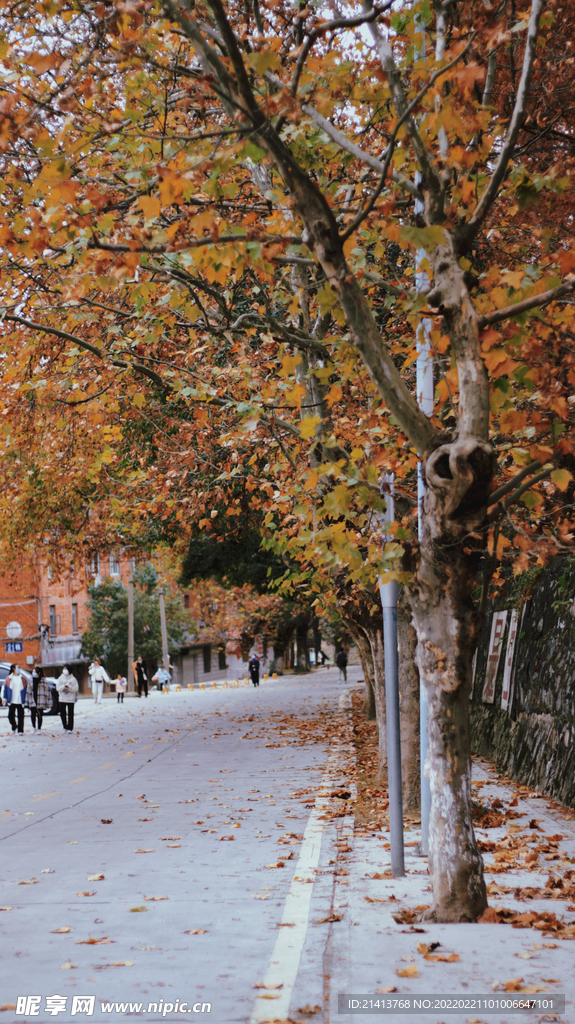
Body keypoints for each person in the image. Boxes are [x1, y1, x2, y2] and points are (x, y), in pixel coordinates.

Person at [1, 664, 26, 734]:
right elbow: (5, 688)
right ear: (13, 669)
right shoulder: (9, 678)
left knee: (21, 716)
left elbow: (26, 688)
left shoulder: (22, 678)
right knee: (10, 716)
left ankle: (20, 730)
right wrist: (4, 698)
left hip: (20, 700)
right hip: (11, 700)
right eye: (18, 667)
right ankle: (14, 726)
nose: (19, 669)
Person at [25, 666, 51, 730]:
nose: (33, 673)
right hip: (32, 700)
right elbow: (28, 692)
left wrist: (48, 701)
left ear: (38, 673)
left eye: (34, 672)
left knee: (40, 715)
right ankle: (34, 727)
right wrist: (27, 702)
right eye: (33, 672)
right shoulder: (31, 681)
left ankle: (39, 728)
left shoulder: (43, 681)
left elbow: (47, 691)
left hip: (41, 700)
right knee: (33, 715)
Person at [56, 665, 78, 731]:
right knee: (62, 713)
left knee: (70, 714)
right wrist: (63, 687)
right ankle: (65, 726)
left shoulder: (73, 679)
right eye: (64, 669)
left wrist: (69, 688)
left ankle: (70, 727)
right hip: (62, 699)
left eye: (66, 669)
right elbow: (57, 688)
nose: (64, 670)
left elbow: (76, 689)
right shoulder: (60, 678)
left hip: (70, 699)